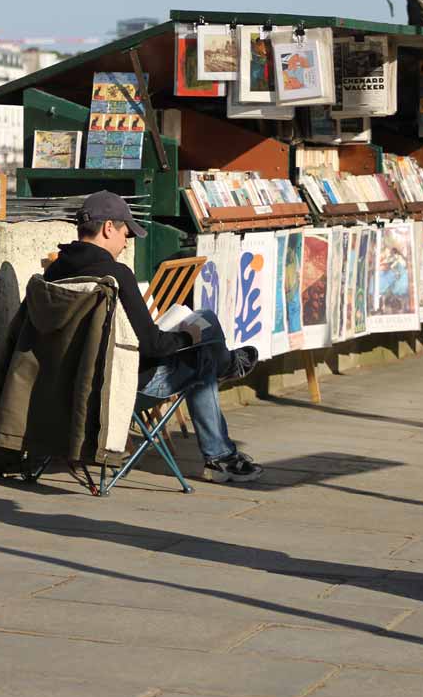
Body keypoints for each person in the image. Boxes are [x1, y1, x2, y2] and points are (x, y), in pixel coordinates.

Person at [44, 190, 263, 484]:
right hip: (121, 388)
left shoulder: (54, 272)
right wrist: (187, 337)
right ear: (108, 228)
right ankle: (221, 449)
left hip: (67, 386)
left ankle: (227, 366)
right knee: (204, 352)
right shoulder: (115, 276)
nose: (125, 243)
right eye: (125, 234)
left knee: (204, 338)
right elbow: (153, 346)